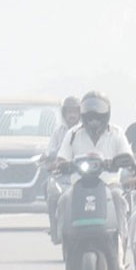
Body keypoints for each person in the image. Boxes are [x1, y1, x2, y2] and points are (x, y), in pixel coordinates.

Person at [55, 93, 134, 270]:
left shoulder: (116, 133)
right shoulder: (73, 134)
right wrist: (62, 164)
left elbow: (127, 157)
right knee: (63, 199)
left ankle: (120, 247)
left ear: (106, 114)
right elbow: (61, 158)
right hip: (79, 186)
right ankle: (66, 242)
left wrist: (117, 162)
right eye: (89, 114)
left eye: (98, 114)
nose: (93, 119)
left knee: (119, 200)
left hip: (109, 185)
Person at [44, 96, 83, 240]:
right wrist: (50, 159)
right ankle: (55, 230)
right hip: (62, 175)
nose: (72, 115)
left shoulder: (85, 130)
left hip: (81, 174)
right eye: (69, 112)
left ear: (80, 113)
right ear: (64, 113)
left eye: (75, 111)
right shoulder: (58, 132)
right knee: (52, 193)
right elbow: (50, 152)